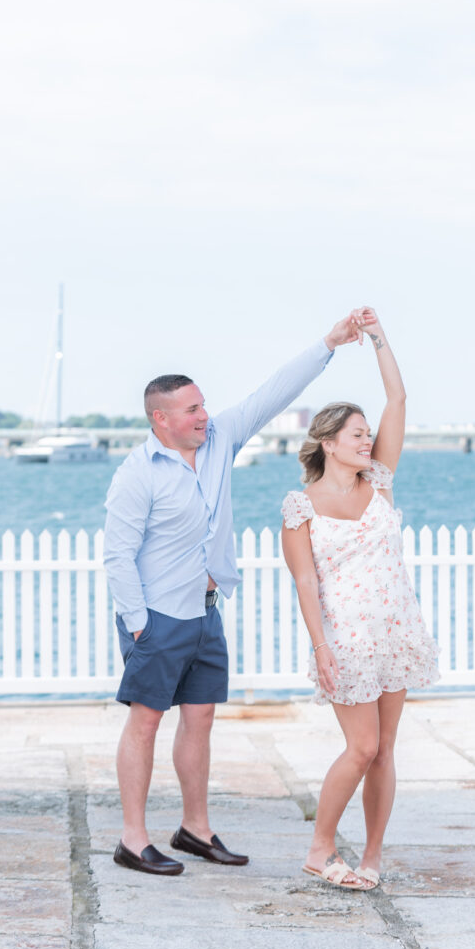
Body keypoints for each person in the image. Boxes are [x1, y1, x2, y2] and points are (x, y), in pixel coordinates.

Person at [103, 313, 367, 876]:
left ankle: (195, 830)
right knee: (146, 722)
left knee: (199, 719)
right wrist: (138, 623)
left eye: (203, 406)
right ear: (162, 418)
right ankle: (132, 838)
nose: (205, 415)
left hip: (205, 610)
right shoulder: (136, 474)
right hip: (157, 616)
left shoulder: (221, 440)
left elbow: (273, 392)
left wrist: (330, 343)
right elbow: (117, 555)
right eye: (193, 409)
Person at [281, 308, 440, 891]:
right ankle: (320, 849)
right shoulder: (300, 508)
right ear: (327, 442)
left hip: (395, 631)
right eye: (356, 433)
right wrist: (320, 646)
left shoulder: (380, 482)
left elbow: (397, 399)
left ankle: (371, 856)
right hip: (345, 639)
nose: (367, 438)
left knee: (386, 749)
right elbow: (304, 583)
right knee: (362, 746)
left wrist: (377, 339)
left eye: (367, 432)